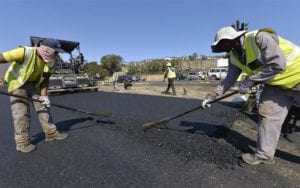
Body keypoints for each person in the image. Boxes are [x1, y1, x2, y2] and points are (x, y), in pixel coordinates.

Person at [202, 26, 300, 165]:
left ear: (232, 39)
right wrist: (211, 96)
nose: (221, 47)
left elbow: (278, 64)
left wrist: (250, 80)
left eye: (222, 43)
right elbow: (229, 79)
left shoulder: (259, 38)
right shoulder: (234, 57)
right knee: (268, 115)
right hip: (277, 85)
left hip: (297, 76)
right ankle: (264, 155)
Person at [0, 38, 69, 153]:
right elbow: (2, 57)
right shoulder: (24, 52)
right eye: (56, 52)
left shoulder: (51, 61)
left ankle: (51, 133)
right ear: (47, 50)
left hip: (35, 85)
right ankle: (22, 142)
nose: (57, 55)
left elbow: (45, 79)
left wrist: (44, 96)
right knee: (21, 113)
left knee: (43, 107)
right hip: (18, 84)